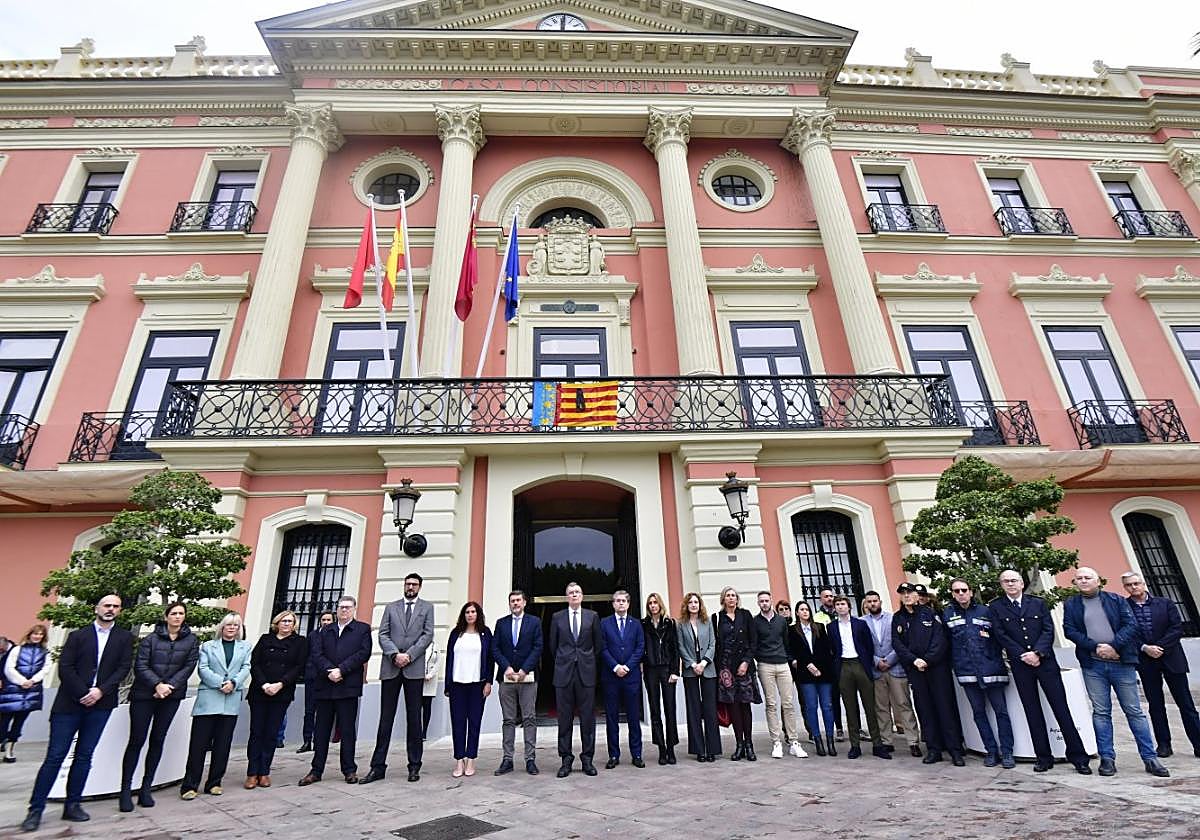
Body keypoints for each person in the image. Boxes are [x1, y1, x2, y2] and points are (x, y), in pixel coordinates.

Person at [21, 594, 132, 833]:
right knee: (55, 757)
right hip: (70, 705)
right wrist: (84, 692)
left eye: (115, 606)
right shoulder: (77, 636)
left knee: (84, 756)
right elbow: (66, 667)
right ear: (97, 609)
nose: (110, 609)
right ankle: (35, 809)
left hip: (100, 706)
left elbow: (123, 668)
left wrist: (100, 692)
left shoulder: (124, 638)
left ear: (120, 611)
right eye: (107, 605)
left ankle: (73, 804)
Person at [1063, 566, 1169, 777]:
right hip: (1093, 665)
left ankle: (1150, 758)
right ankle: (1107, 759)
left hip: (1122, 663)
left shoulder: (1116, 600)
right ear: (1075, 582)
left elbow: (1131, 625)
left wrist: (1113, 647)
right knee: (1101, 712)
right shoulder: (1071, 604)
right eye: (1079, 578)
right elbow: (1069, 630)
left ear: (1098, 580)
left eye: (1088, 577)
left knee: (1134, 711)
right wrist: (1096, 647)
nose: (1083, 581)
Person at [988, 569, 1091, 774]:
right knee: (1032, 711)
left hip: (1045, 662)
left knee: (1061, 709)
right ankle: (1043, 757)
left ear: (1022, 583)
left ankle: (1079, 757)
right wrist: (1022, 655)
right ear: (1001, 585)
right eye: (1006, 581)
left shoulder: (1037, 603)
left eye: (1014, 580)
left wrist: (1037, 653)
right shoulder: (996, 607)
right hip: (1020, 665)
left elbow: (1048, 630)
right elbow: (1000, 634)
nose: (1011, 584)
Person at [120, 602, 200, 811]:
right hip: (144, 695)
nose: (177, 617)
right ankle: (126, 790)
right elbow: (141, 665)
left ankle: (146, 788)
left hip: (171, 696)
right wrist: (157, 684)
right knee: (136, 740)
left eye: (181, 613)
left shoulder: (191, 640)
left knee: (158, 739)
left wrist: (169, 687)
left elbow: (189, 666)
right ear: (166, 617)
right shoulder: (150, 639)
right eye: (173, 613)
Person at [363, 573, 435, 784]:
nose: (410, 587)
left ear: (420, 587)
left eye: (414, 584)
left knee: (414, 718)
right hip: (391, 667)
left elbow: (427, 635)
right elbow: (382, 634)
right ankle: (378, 766)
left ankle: (414, 765)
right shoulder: (390, 607)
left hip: (413, 669)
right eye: (408, 584)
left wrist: (409, 655)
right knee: (385, 718)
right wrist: (395, 654)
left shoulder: (427, 608)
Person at [1122, 571, 1200, 758]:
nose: (1134, 587)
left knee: (1186, 704)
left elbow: (1176, 628)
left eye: (1136, 583)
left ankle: (1198, 743)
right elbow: (1125, 633)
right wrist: (1145, 648)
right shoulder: (1123, 607)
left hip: (1171, 658)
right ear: (1125, 587)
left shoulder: (1165, 603)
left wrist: (1159, 647)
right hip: (1145, 661)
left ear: (1143, 583)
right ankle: (1164, 744)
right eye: (1129, 585)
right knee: (1156, 705)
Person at [300, 595, 373, 786]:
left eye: (348, 607)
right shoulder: (325, 631)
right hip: (325, 686)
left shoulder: (362, 629)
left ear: (354, 609)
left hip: (347, 687)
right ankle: (316, 770)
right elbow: (316, 654)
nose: (344, 610)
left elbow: (363, 653)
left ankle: (349, 769)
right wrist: (329, 671)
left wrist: (342, 669)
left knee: (347, 730)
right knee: (321, 730)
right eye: (341, 607)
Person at [943, 580, 1014, 768]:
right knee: (979, 713)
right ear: (952, 594)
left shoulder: (986, 612)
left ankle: (1007, 752)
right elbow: (947, 644)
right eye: (956, 591)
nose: (961, 594)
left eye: (964, 590)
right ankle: (991, 750)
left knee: (1001, 712)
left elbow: (999, 638)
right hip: (967, 672)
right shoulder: (948, 614)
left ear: (971, 592)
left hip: (991, 670)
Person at [181, 612, 251, 800]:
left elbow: (246, 667)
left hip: (231, 700)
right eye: (229, 625)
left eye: (236, 626)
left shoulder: (245, 647)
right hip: (209, 698)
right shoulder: (208, 647)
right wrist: (221, 683)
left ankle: (214, 782)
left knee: (223, 744)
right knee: (199, 744)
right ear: (222, 627)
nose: (232, 628)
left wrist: (234, 683)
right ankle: (190, 784)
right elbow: (203, 669)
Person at [893, 583, 962, 765]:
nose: (907, 596)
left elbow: (940, 640)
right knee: (925, 709)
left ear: (917, 595)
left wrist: (927, 660)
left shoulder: (930, 614)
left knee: (945, 708)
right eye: (904, 594)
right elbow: (897, 644)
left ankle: (955, 749)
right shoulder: (898, 618)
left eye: (910, 593)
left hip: (936, 669)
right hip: (916, 670)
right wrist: (914, 660)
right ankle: (933, 749)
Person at [245, 609, 308, 789]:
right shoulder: (265, 639)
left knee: (272, 733)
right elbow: (254, 663)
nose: (286, 624)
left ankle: (264, 771)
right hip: (259, 692)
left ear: (294, 624)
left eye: (290, 621)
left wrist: (281, 684)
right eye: (283, 621)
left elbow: (299, 666)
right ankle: (252, 772)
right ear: (277, 623)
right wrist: (264, 684)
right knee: (256, 732)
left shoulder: (300, 642)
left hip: (282, 693)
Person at [548, 581, 602, 777]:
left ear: (582, 596)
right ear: (566, 596)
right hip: (563, 674)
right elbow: (552, 647)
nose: (574, 595)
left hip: (586, 674)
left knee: (588, 719)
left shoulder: (592, 617)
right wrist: (566, 660)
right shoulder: (557, 617)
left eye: (577, 592)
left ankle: (587, 759)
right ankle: (566, 760)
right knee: (564, 720)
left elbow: (598, 646)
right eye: (570, 592)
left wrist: (585, 660)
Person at [828, 594, 890, 760]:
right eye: (838, 604)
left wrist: (867, 662)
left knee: (870, 706)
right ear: (835, 608)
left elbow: (868, 646)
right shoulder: (831, 627)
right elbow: (832, 649)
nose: (841, 607)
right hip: (843, 666)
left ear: (849, 606)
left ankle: (877, 744)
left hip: (861, 665)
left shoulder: (860, 624)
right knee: (850, 708)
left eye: (843, 604)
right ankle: (855, 745)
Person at [861, 590, 920, 758]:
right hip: (876, 670)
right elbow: (863, 646)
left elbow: (900, 642)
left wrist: (889, 659)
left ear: (880, 602)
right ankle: (887, 740)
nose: (873, 604)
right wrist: (876, 661)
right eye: (869, 601)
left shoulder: (893, 618)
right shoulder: (861, 622)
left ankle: (913, 741)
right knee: (881, 707)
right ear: (866, 604)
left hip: (895, 667)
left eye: (875, 600)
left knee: (903, 705)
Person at [493, 589, 543, 776]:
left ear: (524, 603)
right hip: (506, 679)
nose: (515, 603)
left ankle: (530, 759)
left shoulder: (534, 622)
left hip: (527, 678)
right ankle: (507, 759)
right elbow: (495, 648)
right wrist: (506, 667)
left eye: (518, 600)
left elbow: (538, 647)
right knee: (508, 720)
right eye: (512, 601)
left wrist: (524, 669)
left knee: (529, 718)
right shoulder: (501, 623)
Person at [753, 591, 806, 759]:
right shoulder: (755, 622)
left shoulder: (781, 621)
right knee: (771, 704)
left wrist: (788, 659)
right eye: (761, 601)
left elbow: (786, 642)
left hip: (783, 664)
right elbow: (754, 643)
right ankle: (776, 741)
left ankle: (793, 741)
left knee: (788, 703)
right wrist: (760, 658)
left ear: (771, 601)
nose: (764, 603)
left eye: (767, 600)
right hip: (765, 665)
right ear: (758, 603)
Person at [445, 601, 494, 778]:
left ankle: (471, 758)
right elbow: (449, 659)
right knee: (458, 723)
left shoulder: (485, 633)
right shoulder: (455, 633)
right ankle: (459, 759)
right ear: (463, 615)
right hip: (457, 685)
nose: (470, 615)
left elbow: (490, 659)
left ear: (478, 614)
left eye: (473, 611)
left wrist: (489, 682)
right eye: (467, 612)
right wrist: (447, 685)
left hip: (477, 685)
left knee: (474, 723)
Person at [713, 586, 761, 761]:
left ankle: (749, 745)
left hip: (744, 668)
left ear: (737, 599)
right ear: (723, 599)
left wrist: (746, 662)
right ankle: (739, 744)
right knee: (733, 706)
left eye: (734, 596)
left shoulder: (745, 615)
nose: (731, 598)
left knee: (745, 705)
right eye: (728, 596)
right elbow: (717, 644)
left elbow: (753, 641)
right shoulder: (717, 618)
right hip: (726, 669)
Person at [600, 590, 646, 769]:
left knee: (634, 717)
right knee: (612, 718)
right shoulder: (604, 623)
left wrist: (627, 666)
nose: (620, 603)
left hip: (631, 676)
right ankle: (613, 755)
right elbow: (602, 647)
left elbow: (640, 647)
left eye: (623, 601)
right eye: (617, 601)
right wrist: (615, 667)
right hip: (610, 677)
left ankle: (636, 754)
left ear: (628, 604)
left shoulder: (636, 624)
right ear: (613, 604)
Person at [788, 602, 836, 756]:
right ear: (797, 613)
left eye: (807, 609)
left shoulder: (820, 627)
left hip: (823, 672)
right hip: (805, 673)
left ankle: (830, 739)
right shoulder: (792, 630)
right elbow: (796, 651)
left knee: (827, 706)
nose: (805, 612)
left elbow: (825, 649)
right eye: (801, 609)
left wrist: (818, 667)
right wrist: (808, 665)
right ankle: (817, 740)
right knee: (811, 707)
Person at [678, 592, 720, 762]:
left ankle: (712, 749)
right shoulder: (681, 624)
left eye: (696, 602)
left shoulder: (707, 621)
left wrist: (703, 662)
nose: (694, 605)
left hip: (708, 669)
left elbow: (712, 644)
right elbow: (680, 646)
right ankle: (698, 750)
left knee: (710, 709)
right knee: (693, 710)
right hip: (690, 670)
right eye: (690, 602)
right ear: (686, 606)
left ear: (700, 604)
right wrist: (692, 664)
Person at [0, 625, 51, 765]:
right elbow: (9, 668)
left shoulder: (45, 652)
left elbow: (46, 669)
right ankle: (2, 742)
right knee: (3, 722)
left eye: (40, 634)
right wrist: (21, 681)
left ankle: (10, 750)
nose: (37, 636)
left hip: (31, 692)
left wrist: (32, 681)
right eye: (35, 634)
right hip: (13, 691)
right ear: (30, 634)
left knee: (19, 723)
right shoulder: (17, 649)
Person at [641, 592, 680, 765]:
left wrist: (675, 671)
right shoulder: (643, 624)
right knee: (655, 710)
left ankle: (671, 747)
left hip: (667, 670)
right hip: (651, 671)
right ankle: (661, 748)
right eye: (650, 603)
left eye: (655, 602)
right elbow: (640, 646)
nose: (653, 606)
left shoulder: (670, 624)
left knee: (670, 709)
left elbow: (675, 649)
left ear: (660, 604)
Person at [296, 611, 334, 753]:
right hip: (312, 677)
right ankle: (307, 740)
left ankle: (320, 740)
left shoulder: (335, 635)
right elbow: (306, 654)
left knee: (324, 712)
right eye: (323, 619)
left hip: (327, 677)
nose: (326, 622)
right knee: (309, 710)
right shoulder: (313, 635)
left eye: (329, 620)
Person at [421, 646, 439, 739]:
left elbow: (437, 663)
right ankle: (416, 731)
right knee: (416, 708)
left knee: (427, 707)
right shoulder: (417, 644)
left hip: (430, 681)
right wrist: (422, 674)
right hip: (419, 679)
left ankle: (424, 732)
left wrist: (430, 675)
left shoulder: (435, 646)